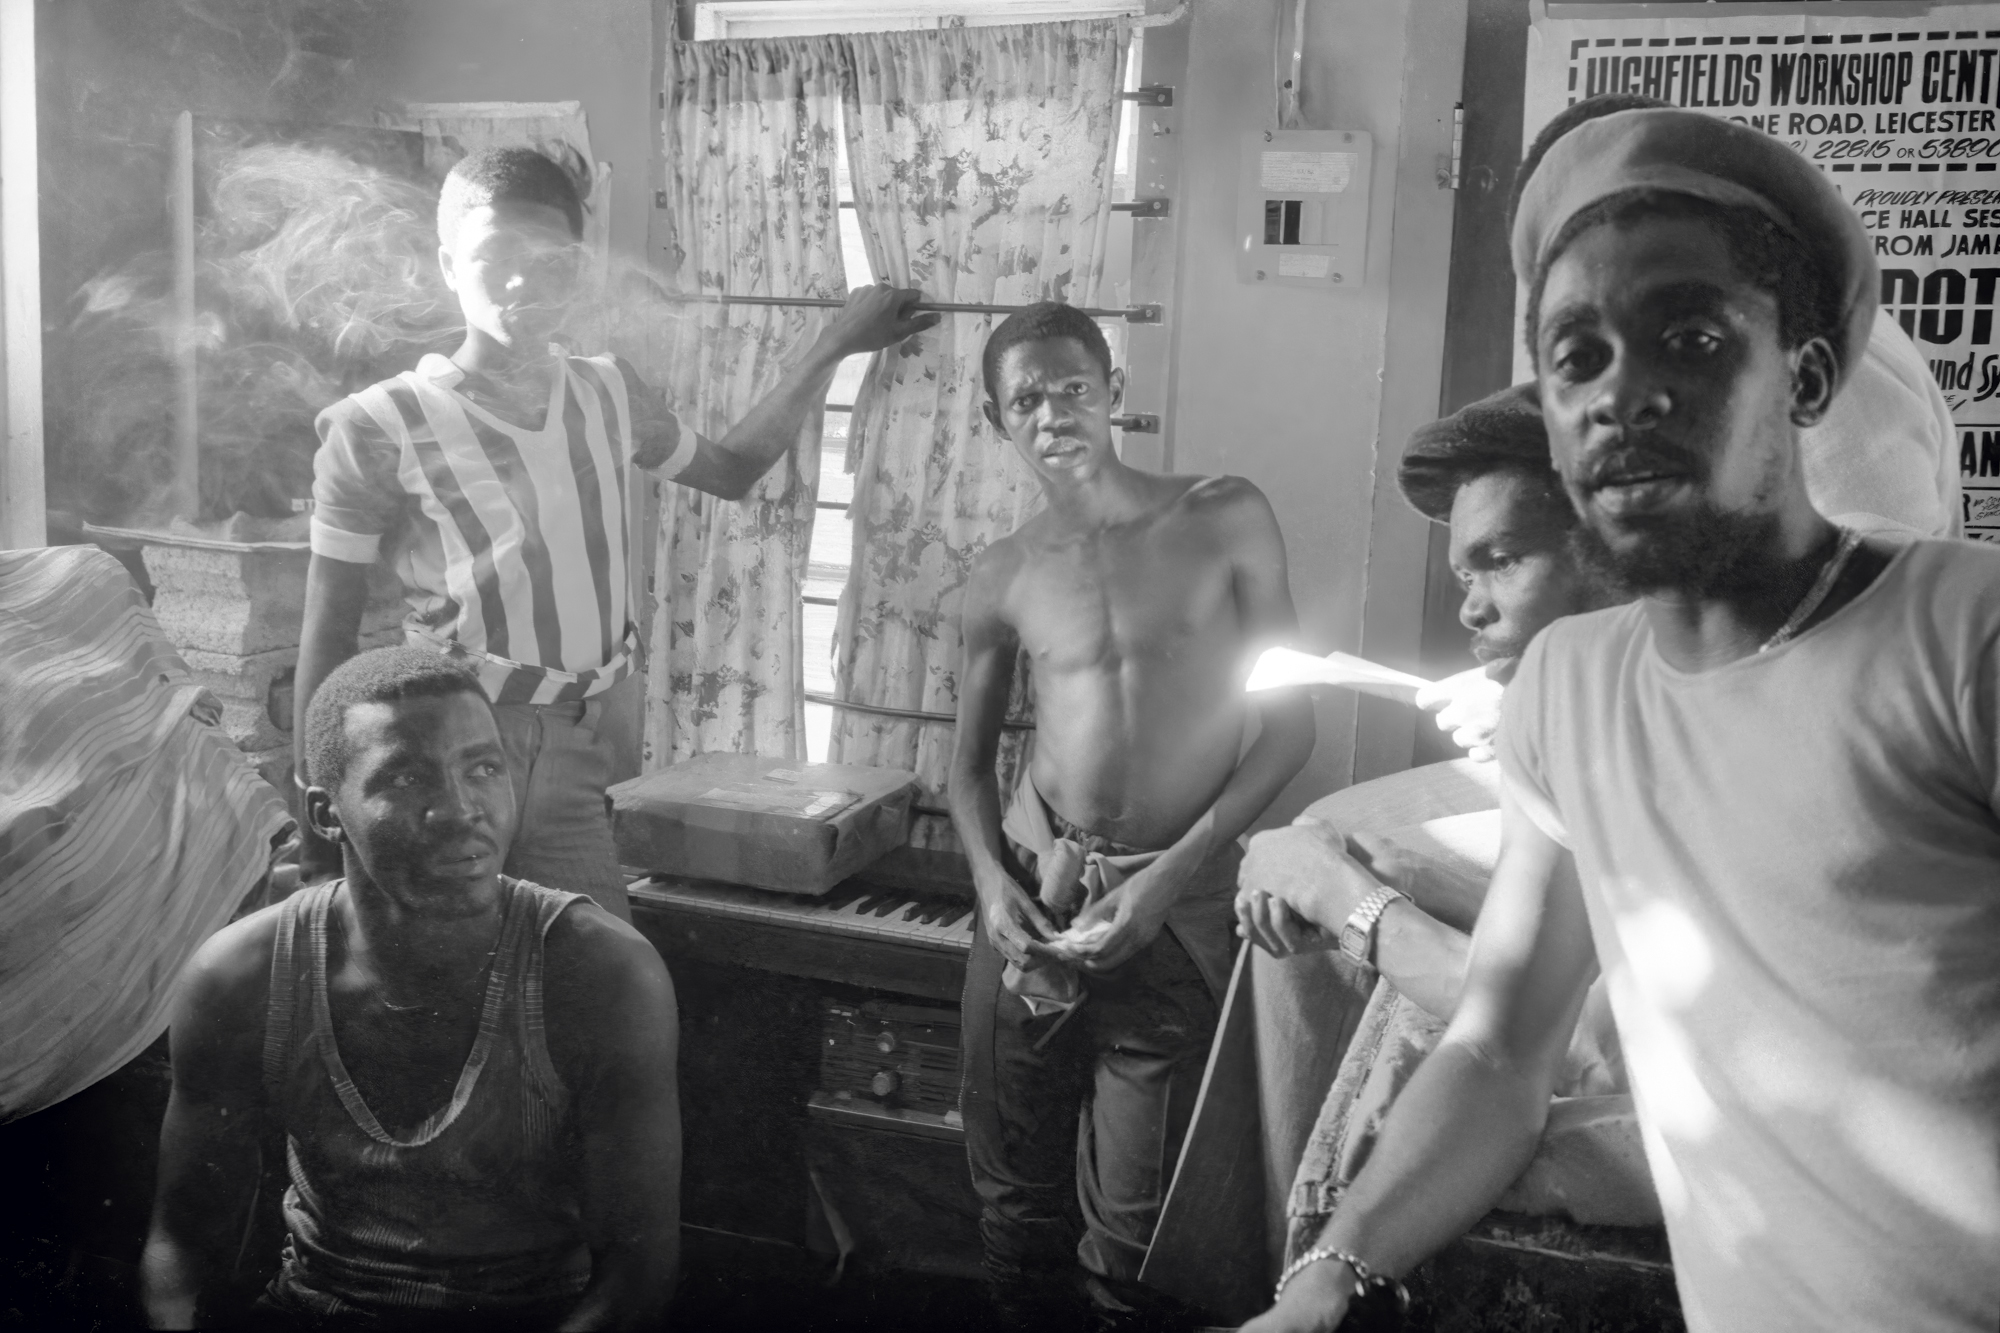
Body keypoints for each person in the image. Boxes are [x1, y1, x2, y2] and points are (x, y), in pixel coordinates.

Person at [1246, 106, 2000, 1333]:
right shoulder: (1571, 688)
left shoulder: (1964, 637)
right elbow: (1498, 1052)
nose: (1622, 396)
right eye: (1575, 358)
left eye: (1689, 339)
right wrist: (1319, 1286)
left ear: (1805, 376)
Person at [294, 146, 936, 920]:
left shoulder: (607, 391)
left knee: (587, 973)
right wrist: (318, 797)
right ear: (448, 266)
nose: (525, 282)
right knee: (455, 976)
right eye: (496, 257)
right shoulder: (376, 425)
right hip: (450, 747)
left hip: (584, 741)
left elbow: (730, 470)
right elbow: (326, 638)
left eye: (550, 260)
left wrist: (833, 343)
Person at [949, 302, 1315, 1329]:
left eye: (1072, 386)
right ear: (996, 420)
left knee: (1133, 1241)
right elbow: (968, 771)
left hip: (1170, 912)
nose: (1052, 411)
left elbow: (1289, 730)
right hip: (1031, 902)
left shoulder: (1222, 515)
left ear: (1112, 391)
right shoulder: (1000, 573)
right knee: (1014, 1214)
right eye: (1026, 398)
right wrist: (988, 888)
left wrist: (1168, 877)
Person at [142, 647, 679, 1329]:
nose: (460, 809)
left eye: (483, 767)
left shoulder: (601, 972)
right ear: (324, 812)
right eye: (406, 776)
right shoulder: (242, 976)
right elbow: (183, 1247)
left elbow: (637, 1275)